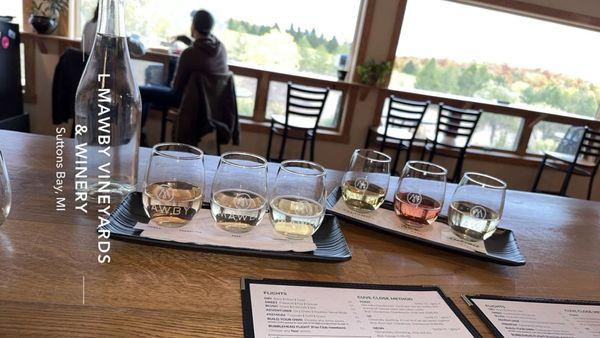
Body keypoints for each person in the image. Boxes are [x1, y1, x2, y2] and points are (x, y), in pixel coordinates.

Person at [139, 9, 229, 145]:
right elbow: (203, 55)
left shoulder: (189, 53)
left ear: (193, 26)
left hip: (189, 102)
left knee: (141, 91)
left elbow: (176, 87)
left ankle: (140, 137)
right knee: (153, 90)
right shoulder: (220, 48)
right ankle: (142, 136)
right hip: (211, 105)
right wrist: (188, 41)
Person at [82, 4, 146, 57]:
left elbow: (83, 48)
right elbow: (139, 50)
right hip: (101, 67)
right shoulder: (108, 27)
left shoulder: (88, 24)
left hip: (85, 65)